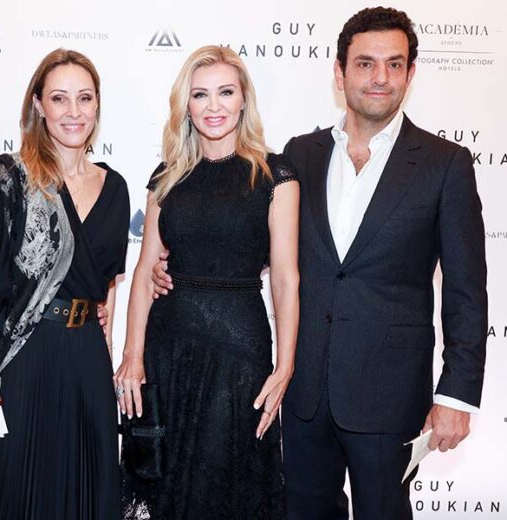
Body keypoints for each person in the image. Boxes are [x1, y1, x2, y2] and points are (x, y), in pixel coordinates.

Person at [153, 7, 488, 519]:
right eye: (365, 63)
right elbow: (254, 243)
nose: (380, 77)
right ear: (339, 72)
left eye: (395, 64)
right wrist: (175, 268)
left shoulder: (445, 164)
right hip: (302, 391)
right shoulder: (299, 156)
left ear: (411, 74)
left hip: (389, 395)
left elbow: (466, 289)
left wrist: (456, 396)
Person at [116, 45, 300, 519]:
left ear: (244, 100)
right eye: (200, 95)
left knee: (228, 486)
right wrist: (133, 355)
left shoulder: (275, 175)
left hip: (240, 350)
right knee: (169, 486)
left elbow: (285, 278)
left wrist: (285, 366)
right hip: (169, 348)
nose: (213, 106)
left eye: (225, 92)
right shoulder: (167, 177)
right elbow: (145, 271)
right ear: (186, 105)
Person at [0, 49, 130, 520]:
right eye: (59, 98)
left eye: (84, 98)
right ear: (38, 105)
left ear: (97, 104)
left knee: (85, 486)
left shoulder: (115, 187)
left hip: (86, 358)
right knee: (14, 485)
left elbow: (108, 281)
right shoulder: (13, 176)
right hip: (23, 356)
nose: (74, 112)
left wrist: (107, 341)